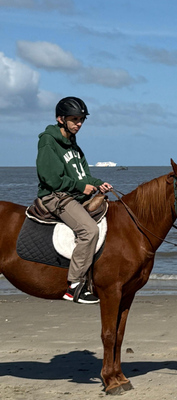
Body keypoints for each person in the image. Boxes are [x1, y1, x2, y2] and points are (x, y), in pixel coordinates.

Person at [36, 96, 112, 304]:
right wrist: (80, 187)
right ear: (60, 119)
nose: (79, 124)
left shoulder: (73, 144)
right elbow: (49, 178)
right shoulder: (48, 141)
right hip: (55, 196)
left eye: (81, 120)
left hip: (72, 193)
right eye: (74, 119)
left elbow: (83, 176)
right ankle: (75, 286)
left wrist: (98, 183)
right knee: (89, 231)